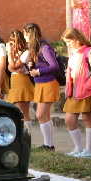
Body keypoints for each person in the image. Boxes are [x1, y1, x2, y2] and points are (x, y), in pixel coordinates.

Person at [23, 23, 60, 151]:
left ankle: (49, 145)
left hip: (48, 83)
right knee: (44, 116)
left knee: (40, 114)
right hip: (40, 83)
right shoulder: (36, 48)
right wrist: (32, 67)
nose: (24, 37)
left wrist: (38, 72)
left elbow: (54, 66)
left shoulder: (44, 48)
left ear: (30, 34)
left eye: (25, 34)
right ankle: (49, 145)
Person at [62, 28, 91, 157]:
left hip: (86, 92)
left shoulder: (90, 52)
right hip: (73, 92)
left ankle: (88, 151)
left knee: (88, 119)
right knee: (69, 120)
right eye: (66, 42)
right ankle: (78, 148)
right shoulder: (73, 54)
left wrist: (88, 85)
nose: (68, 45)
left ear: (77, 39)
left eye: (69, 41)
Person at [6, 30, 34, 139]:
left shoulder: (26, 52)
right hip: (14, 80)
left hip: (23, 81)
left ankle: (27, 136)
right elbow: (10, 68)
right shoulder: (14, 53)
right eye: (11, 42)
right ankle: (19, 135)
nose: (12, 45)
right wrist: (12, 62)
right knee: (16, 110)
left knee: (23, 111)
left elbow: (13, 66)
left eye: (14, 42)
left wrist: (9, 54)